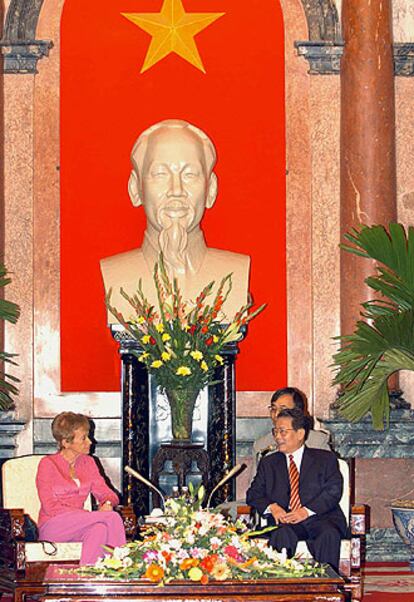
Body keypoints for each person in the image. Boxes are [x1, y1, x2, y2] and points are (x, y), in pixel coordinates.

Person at [100, 119, 250, 322]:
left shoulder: (233, 275)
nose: (176, 190)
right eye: (160, 174)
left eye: (190, 174)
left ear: (211, 190)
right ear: (135, 189)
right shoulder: (116, 275)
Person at [246, 408, 347, 570]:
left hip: (321, 518)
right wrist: (273, 507)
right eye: (275, 431)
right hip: (286, 521)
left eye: (283, 432)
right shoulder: (269, 463)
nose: (277, 437)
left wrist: (306, 511)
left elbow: (333, 491)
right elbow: (253, 494)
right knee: (281, 534)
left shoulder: (325, 459)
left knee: (328, 534)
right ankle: (282, 588)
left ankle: (327, 588)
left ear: (300, 434)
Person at [36, 412, 126, 565]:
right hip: (53, 525)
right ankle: (123, 570)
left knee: (99, 529)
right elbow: (50, 507)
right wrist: (88, 514)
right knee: (111, 517)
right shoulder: (48, 464)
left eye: (88, 436)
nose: (90, 442)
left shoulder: (88, 463)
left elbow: (108, 494)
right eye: (83, 438)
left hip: (81, 525)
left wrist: (107, 504)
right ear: (66, 442)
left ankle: (87, 580)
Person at [253, 387, 331, 458]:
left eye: (283, 409)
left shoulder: (317, 442)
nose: (276, 414)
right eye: (273, 409)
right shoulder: (262, 446)